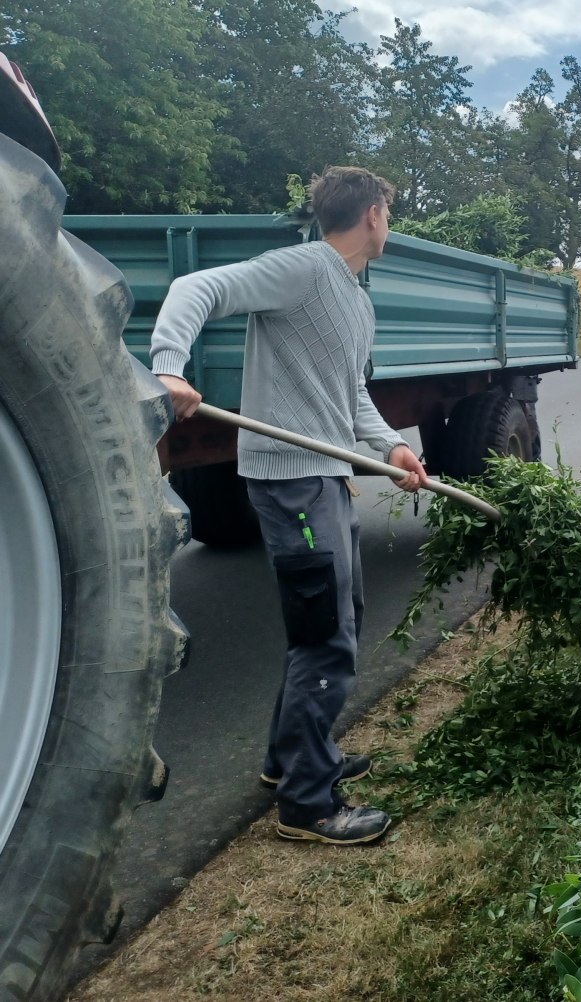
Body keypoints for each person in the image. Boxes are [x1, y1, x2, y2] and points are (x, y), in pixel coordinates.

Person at [149, 166, 427, 846]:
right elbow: (197, 286)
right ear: (372, 214)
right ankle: (307, 804)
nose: (388, 225)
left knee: (335, 619)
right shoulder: (304, 268)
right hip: (292, 483)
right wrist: (168, 366)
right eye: (388, 213)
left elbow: (350, 393)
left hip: (328, 476)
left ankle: (291, 757)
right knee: (326, 635)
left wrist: (392, 446)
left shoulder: (355, 299)